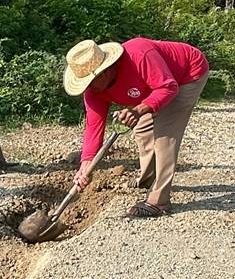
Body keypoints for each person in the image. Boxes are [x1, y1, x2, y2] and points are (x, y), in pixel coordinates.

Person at [65, 37, 209, 217]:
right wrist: (86, 165)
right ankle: (148, 179)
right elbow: (93, 127)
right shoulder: (93, 92)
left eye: (90, 82)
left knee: (164, 136)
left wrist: (139, 109)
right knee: (142, 130)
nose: (89, 88)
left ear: (105, 72)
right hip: (155, 86)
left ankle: (159, 201)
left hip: (187, 74)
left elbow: (168, 87)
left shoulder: (139, 56)